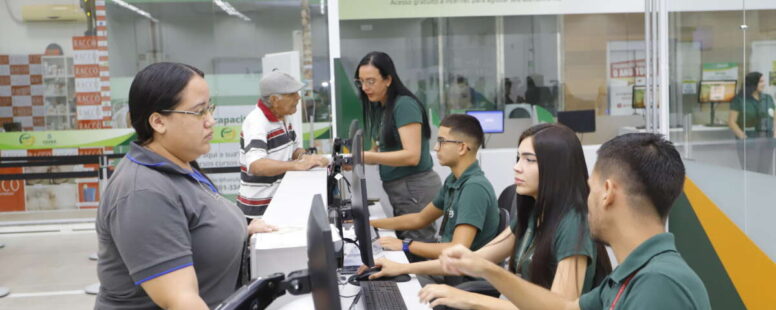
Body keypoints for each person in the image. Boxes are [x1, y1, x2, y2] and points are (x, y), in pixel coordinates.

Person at [433, 133, 711, 310]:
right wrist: (483, 278)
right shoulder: (628, 275)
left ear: (608, 193)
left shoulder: (659, 284)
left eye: (589, 187)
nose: (584, 198)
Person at [369, 123, 611, 309]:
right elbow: (472, 260)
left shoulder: (573, 224)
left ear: (556, 168)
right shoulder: (534, 213)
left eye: (529, 160)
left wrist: (471, 299)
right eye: (518, 158)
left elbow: (558, 308)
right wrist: (399, 267)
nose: (517, 167)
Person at [95, 62, 277, 309]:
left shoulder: (181, 166)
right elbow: (182, 301)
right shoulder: (143, 192)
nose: (210, 121)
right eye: (199, 111)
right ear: (158, 122)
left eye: (210, 108)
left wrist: (239, 230)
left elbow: (193, 228)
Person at [370, 114, 500, 265]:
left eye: (441, 142)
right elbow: (419, 219)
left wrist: (405, 245)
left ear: (462, 147)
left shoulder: (474, 188)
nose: (436, 147)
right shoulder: (454, 181)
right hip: (449, 270)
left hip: (463, 280)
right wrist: (372, 224)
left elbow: (457, 249)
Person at [356, 51, 442, 248]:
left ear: (388, 79)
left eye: (370, 81)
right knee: (407, 244)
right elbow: (379, 153)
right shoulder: (381, 107)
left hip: (414, 188)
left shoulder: (404, 106)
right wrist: (354, 159)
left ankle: (430, 280)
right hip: (401, 188)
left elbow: (412, 156)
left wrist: (366, 156)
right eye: (361, 82)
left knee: (418, 246)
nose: (365, 88)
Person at [238, 70, 329, 217]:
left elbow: (294, 149)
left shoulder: (284, 117)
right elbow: (256, 165)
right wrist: (296, 165)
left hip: (279, 202)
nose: (298, 98)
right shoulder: (256, 122)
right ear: (274, 99)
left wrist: (307, 157)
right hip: (260, 211)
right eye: (292, 94)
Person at [727, 71, 775, 174]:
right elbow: (732, 122)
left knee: (766, 171)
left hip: (767, 140)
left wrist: (774, 136)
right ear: (753, 83)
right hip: (749, 140)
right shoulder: (739, 100)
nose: (764, 84)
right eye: (761, 81)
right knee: (751, 171)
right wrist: (743, 137)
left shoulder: (767, 98)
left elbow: (774, 118)